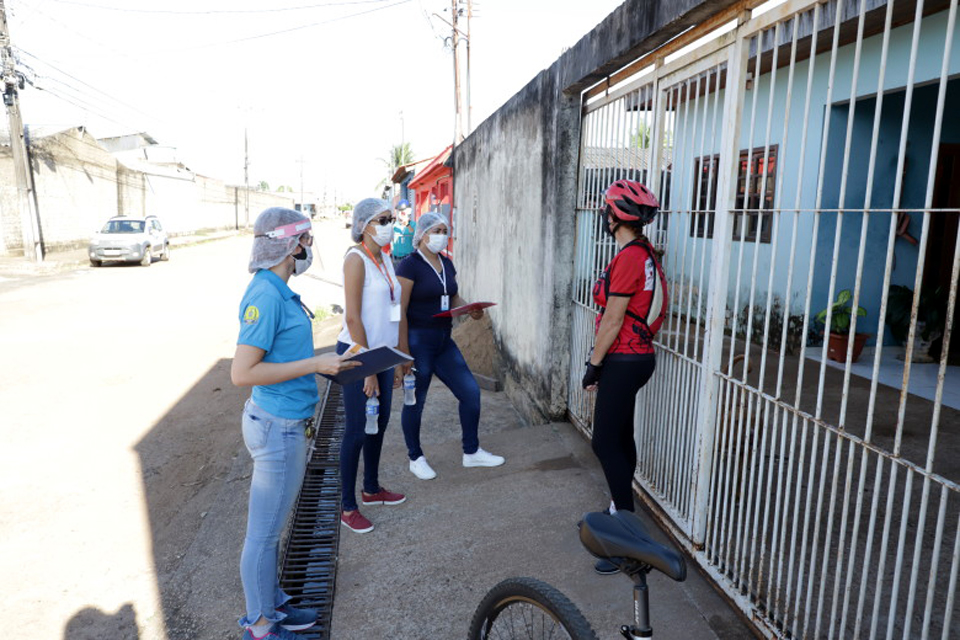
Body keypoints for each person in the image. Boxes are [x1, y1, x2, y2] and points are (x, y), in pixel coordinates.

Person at [231, 207, 361, 640]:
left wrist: (324, 367)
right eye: (305, 240)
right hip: (277, 427)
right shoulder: (266, 295)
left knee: (271, 529)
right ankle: (261, 626)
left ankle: (273, 604)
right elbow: (242, 372)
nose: (308, 249)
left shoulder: (279, 290)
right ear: (289, 244)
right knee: (263, 535)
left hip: (284, 421)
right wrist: (314, 362)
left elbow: (282, 359)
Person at [581, 180, 667, 575]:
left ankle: (628, 544)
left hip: (623, 358)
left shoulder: (630, 257)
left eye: (606, 209)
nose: (603, 215)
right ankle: (620, 510)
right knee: (620, 437)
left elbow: (613, 318)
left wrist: (594, 364)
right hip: (638, 356)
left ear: (616, 217)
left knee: (603, 442)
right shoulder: (645, 253)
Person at [396, 211, 505, 480]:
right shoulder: (409, 266)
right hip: (418, 341)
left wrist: (470, 309)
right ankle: (415, 457)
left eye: (445, 231)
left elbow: (452, 296)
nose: (441, 236)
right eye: (436, 230)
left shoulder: (446, 263)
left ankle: (472, 452)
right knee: (415, 401)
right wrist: (403, 352)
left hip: (444, 341)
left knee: (470, 393)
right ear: (421, 235)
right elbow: (399, 310)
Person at [337, 198, 408, 533]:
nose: (388, 225)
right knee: (355, 431)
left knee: (377, 424)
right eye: (382, 220)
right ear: (364, 224)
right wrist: (366, 369)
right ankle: (347, 507)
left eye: (390, 219)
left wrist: (393, 360)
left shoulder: (386, 258)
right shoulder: (356, 259)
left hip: (382, 352)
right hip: (357, 353)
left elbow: (392, 309)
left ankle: (371, 488)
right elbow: (352, 317)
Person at [391, 199, 416, 266]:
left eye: (403, 211)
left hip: (409, 258)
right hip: (396, 259)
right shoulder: (394, 225)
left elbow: (414, 235)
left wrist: (407, 224)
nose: (401, 213)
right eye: (400, 211)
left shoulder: (413, 225)